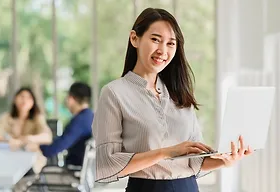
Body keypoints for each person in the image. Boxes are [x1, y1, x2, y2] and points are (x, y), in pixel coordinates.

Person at [92, 8, 253, 192]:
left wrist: (225, 160)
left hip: (188, 186)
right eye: (155, 39)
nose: (162, 50)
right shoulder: (114, 93)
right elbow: (107, 163)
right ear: (134, 38)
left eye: (171, 43)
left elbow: (193, 162)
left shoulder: (179, 92)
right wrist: (166, 152)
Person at [0, 87, 52, 173]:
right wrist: (9, 141)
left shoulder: (37, 118)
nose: (24, 100)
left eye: (28, 98)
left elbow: (47, 137)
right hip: (8, 157)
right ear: (15, 99)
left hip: (31, 160)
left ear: (33, 102)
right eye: (21, 96)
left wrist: (27, 139)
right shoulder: (6, 117)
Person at [40, 82, 93, 166]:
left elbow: (56, 148)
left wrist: (38, 146)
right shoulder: (90, 116)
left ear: (71, 99)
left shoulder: (79, 121)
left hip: (73, 171)